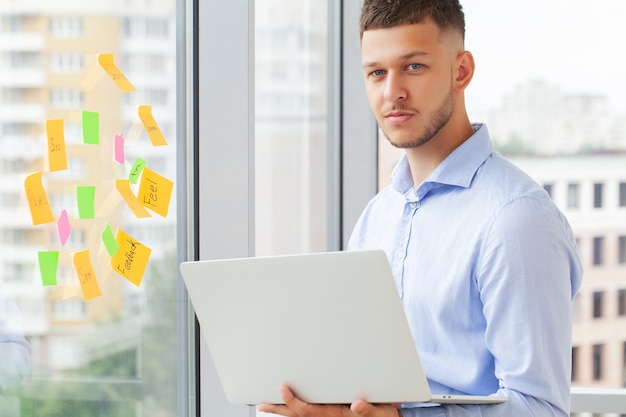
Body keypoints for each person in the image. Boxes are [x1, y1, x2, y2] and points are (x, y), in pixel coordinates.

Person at [258, 0, 583, 416]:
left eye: (413, 67)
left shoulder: (516, 219)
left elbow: (541, 409)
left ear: (460, 71)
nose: (391, 91)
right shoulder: (378, 215)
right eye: (376, 72)